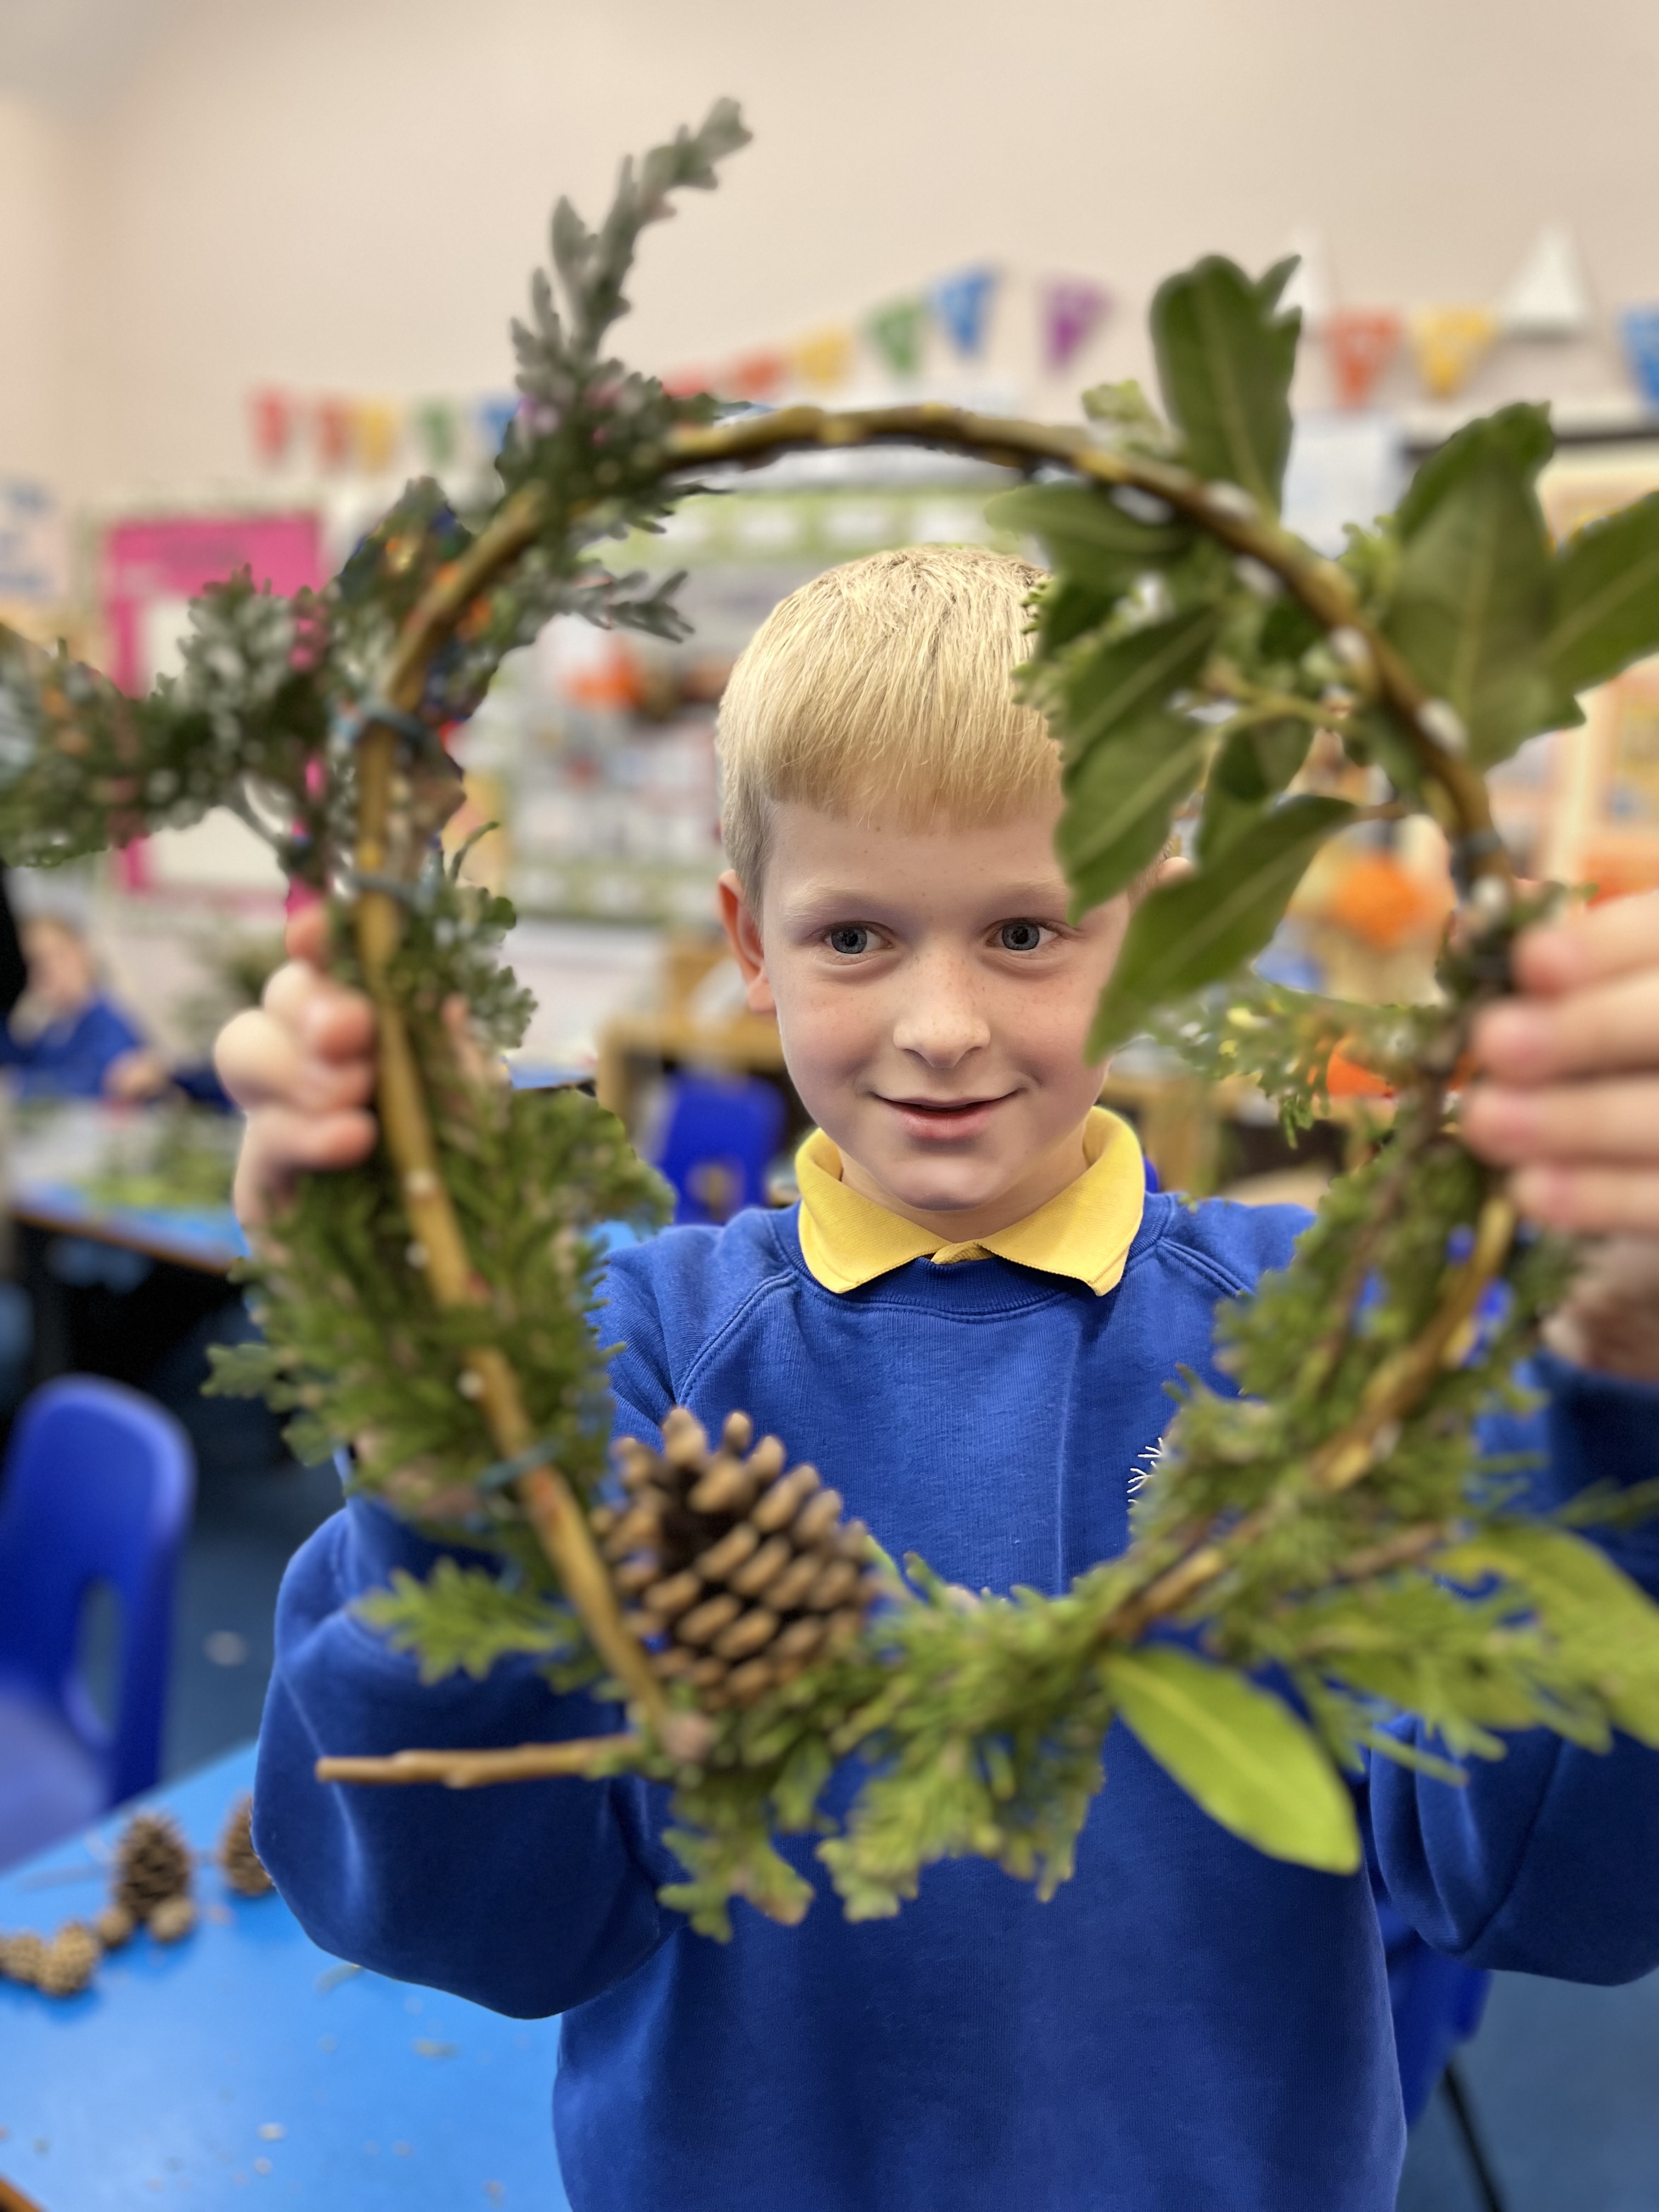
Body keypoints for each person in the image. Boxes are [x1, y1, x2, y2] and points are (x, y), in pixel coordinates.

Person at [217, 547, 1659, 2212]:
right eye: (856, 936)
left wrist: (1622, 1394)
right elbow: (472, 1916)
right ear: (752, 943)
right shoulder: (626, 1356)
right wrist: (431, 1458)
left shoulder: (1323, 1345)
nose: (944, 1024)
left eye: (1028, 931)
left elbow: (1556, 1892)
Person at [0, 913, 168, 1101]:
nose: (45, 969)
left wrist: (17, 1084)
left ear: (82, 952)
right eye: (33, 962)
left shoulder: (109, 1022)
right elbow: (20, 1057)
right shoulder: (51, 1028)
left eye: (56, 955)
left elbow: (97, 1083)